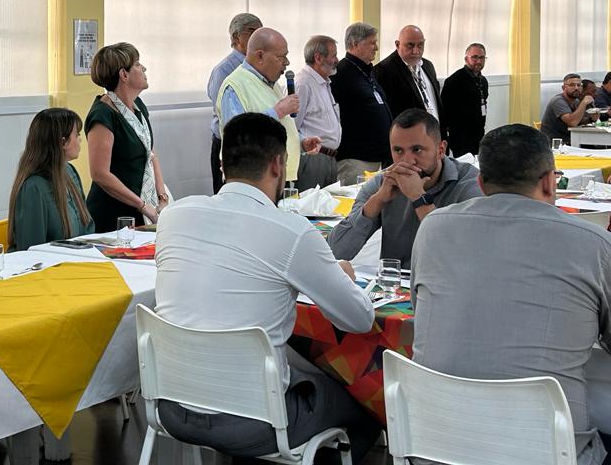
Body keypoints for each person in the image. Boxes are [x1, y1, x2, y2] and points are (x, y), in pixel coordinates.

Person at [154, 113, 379, 461]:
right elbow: (360, 320)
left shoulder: (173, 216)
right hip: (256, 421)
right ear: (278, 164)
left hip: (171, 407)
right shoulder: (292, 232)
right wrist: (343, 277)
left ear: (222, 163)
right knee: (367, 407)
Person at [411, 124, 611, 465]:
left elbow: (421, 311)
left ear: (481, 184)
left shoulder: (433, 227)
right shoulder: (593, 243)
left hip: (434, 447)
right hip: (550, 453)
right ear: (549, 182)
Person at [328, 109, 482, 266]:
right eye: (398, 150)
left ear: (440, 150)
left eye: (417, 150)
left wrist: (419, 198)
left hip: (445, 280)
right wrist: (377, 201)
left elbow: (463, 255)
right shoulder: (382, 183)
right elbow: (335, 252)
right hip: (396, 280)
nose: (407, 161)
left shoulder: (470, 186)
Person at [216, 27, 335, 191]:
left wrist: (301, 142)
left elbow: (282, 125)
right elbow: (237, 137)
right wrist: (278, 111)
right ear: (260, 56)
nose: (287, 62)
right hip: (253, 180)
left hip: (278, 176)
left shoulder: (271, 84)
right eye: (281, 57)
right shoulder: (235, 86)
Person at [85, 43, 169, 231]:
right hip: (114, 213)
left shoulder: (138, 106)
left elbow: (150, 153)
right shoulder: (103, 115)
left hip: (145, 207)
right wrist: (142, 205)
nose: (144, 68)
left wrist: (162, 197)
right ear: (124, 75)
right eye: (138, 64)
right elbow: (100, 174)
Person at [7, 108, 94, 251]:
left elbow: (87, 229)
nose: (80, 140)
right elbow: (32, 251)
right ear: (63, 142)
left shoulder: (70, 171)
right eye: (77, 134)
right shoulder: (34, 188)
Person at [206, 12, 262, 193]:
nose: (257, 36)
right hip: (229, 144)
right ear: (236, 37)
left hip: (255, 144)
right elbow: (225, 113)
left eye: (260, 31)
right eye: (252, 31)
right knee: (230, 198)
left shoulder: (259, 67)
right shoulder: (224, 70)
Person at [330, 22, 392, 185]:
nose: (376, 47)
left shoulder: (366, 71)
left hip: (376, 157)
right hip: (355, 158)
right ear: (355, 44)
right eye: (372, 43)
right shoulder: (340, 73)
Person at [372, 24, 444, 134]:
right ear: (397, 45)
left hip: (434, 135)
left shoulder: (428, 66)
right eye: (410, 45)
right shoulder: (383, 70)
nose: (416, 51)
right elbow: (386, 114)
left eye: (420, 45)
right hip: (408, 138)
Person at [295, 34, 342, 160]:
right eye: (334, 55)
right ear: (318, 58)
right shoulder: (303, 84)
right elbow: (292, 127)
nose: (337, 60)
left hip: (328, 157)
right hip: (312, 156)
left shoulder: (323, 82)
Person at [440, 42, 489, 156]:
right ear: (466, 59)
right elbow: (444, 109)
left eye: (482, 57)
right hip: (460, 137)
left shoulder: (483, 81)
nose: (479, 61)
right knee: (464, 164)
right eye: (474, 57)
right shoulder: (454, 81)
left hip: (479, 133)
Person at [541, 73, 595, 144]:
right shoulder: (558, 101)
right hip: (555, 144)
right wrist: (584, 103)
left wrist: (592, 119)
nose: (576, 88)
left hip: (570, 140)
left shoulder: (576, 101)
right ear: (563, 88)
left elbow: (579, 121)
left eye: (579, 85)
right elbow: (572, 122)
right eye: (572, 85)